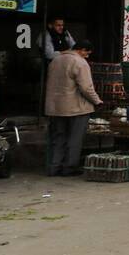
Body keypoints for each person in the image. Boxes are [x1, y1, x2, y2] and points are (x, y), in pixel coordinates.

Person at [44, 39, 100, 176]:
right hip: (76, 108)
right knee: (74, 139)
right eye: (87, 54)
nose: (87, 57)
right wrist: (97, 101)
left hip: (55, 108)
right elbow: (86, 88)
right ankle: (68, 168)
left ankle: (53, 167)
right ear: (82, 50)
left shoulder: (55, 61)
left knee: (58, 138)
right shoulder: (80, 63)